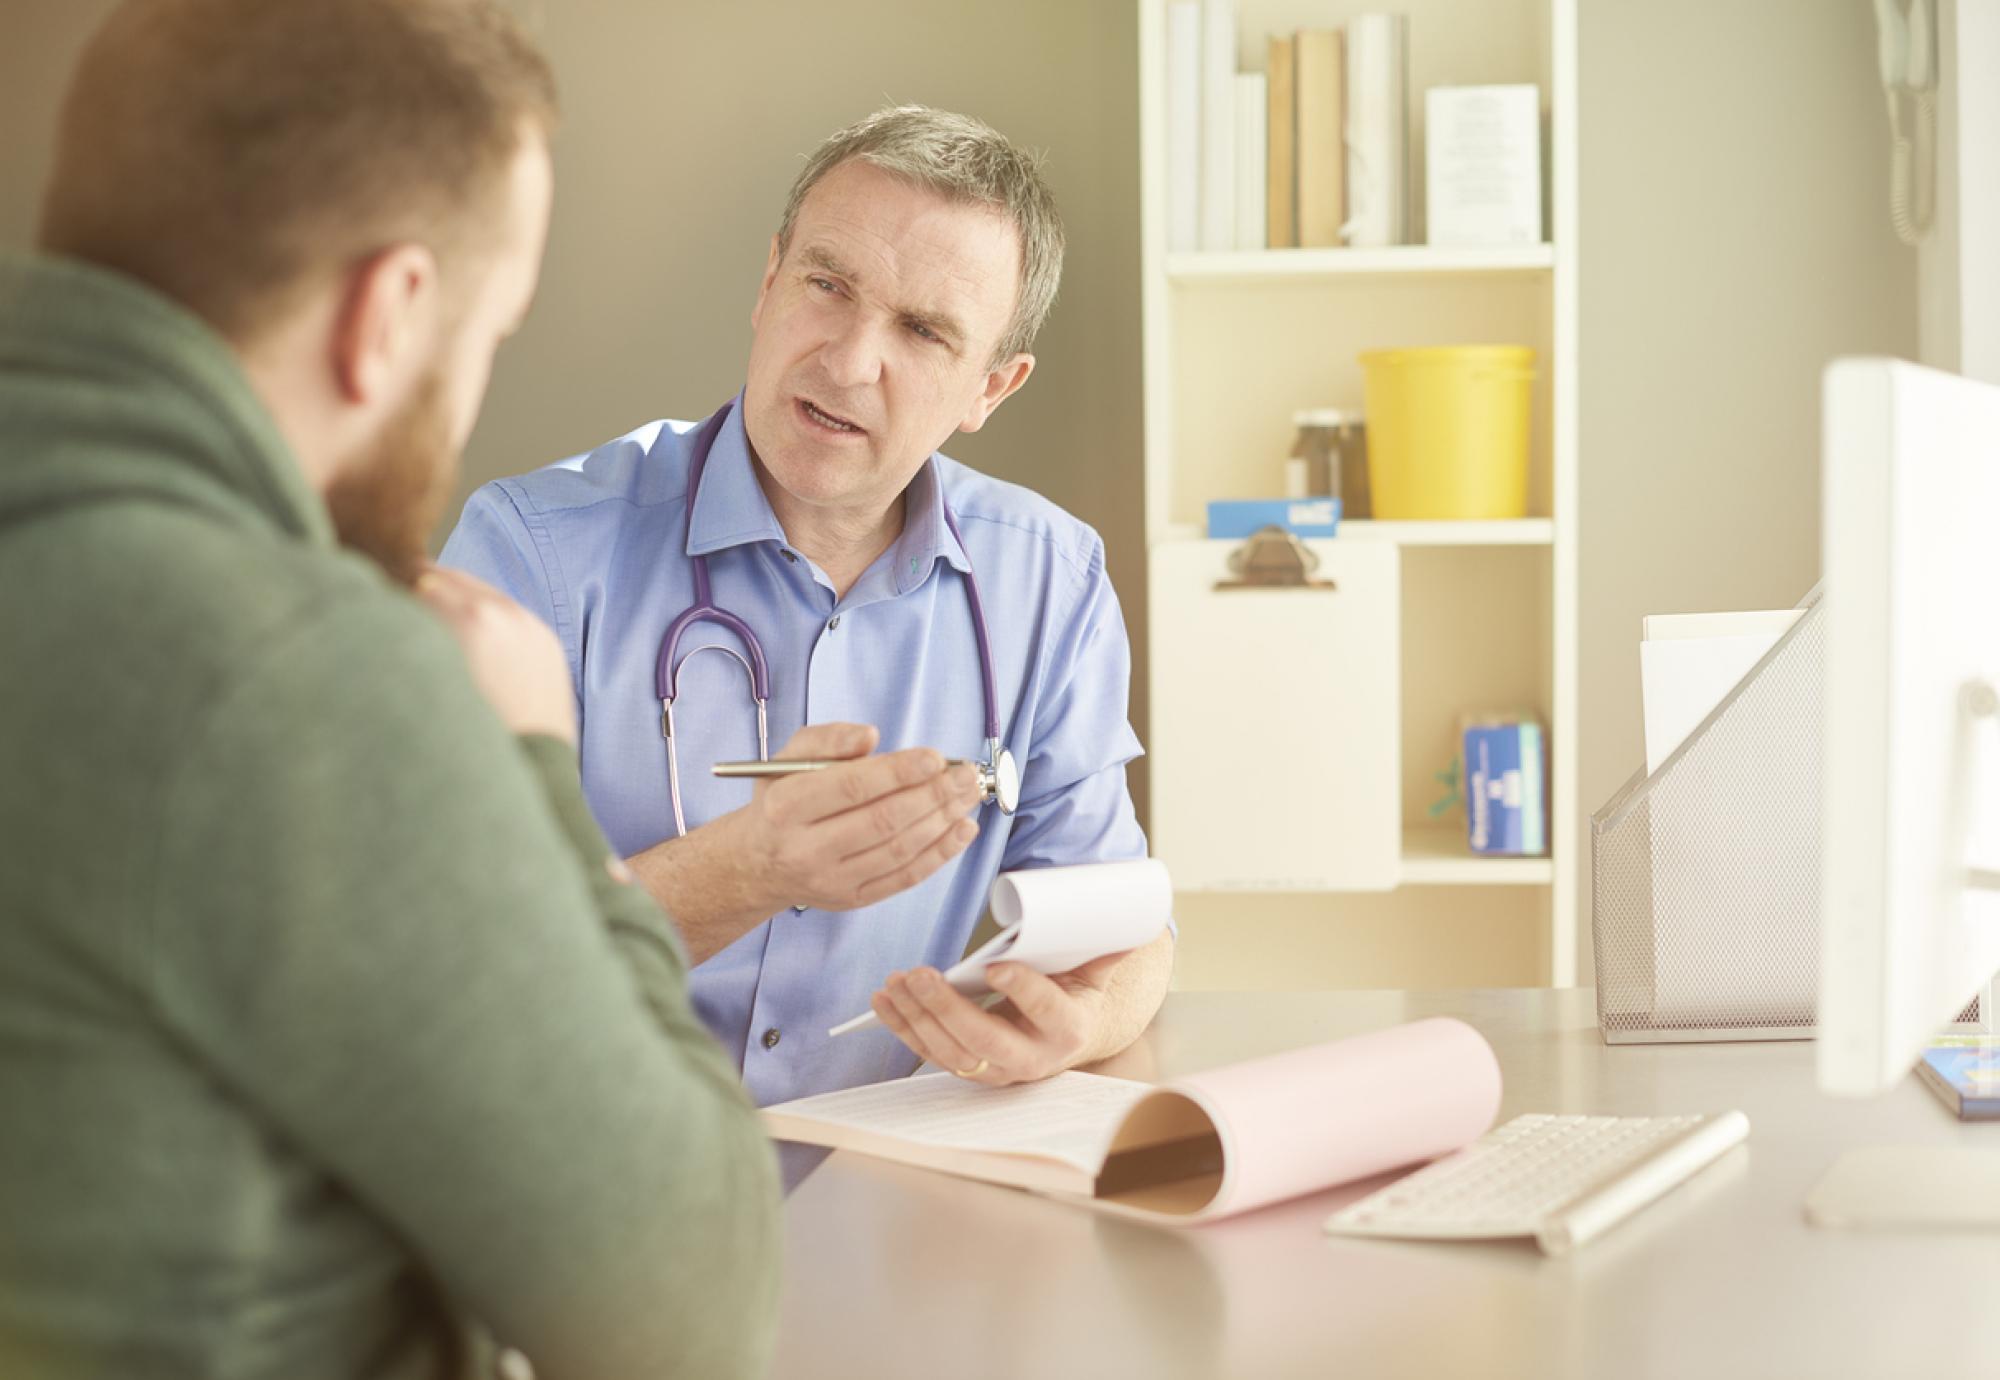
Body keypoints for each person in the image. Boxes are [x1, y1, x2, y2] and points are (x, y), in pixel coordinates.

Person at [0, 2, 778, 1377]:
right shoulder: (297, 677)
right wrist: (543, 779)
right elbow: (689, 1317)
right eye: (493, 334)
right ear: (390, 314)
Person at [441, 106, 1174, 1124]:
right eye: (827, 286)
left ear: (989, 388)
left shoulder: (1048, 579)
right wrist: (746, 870)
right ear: (768, 280)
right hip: (583, 1189)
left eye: (922, 331)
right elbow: (448, 958)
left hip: (883, 1194)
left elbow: (1122, 923)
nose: (846, 361)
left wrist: (1076, 1025)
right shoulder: (532, 553)